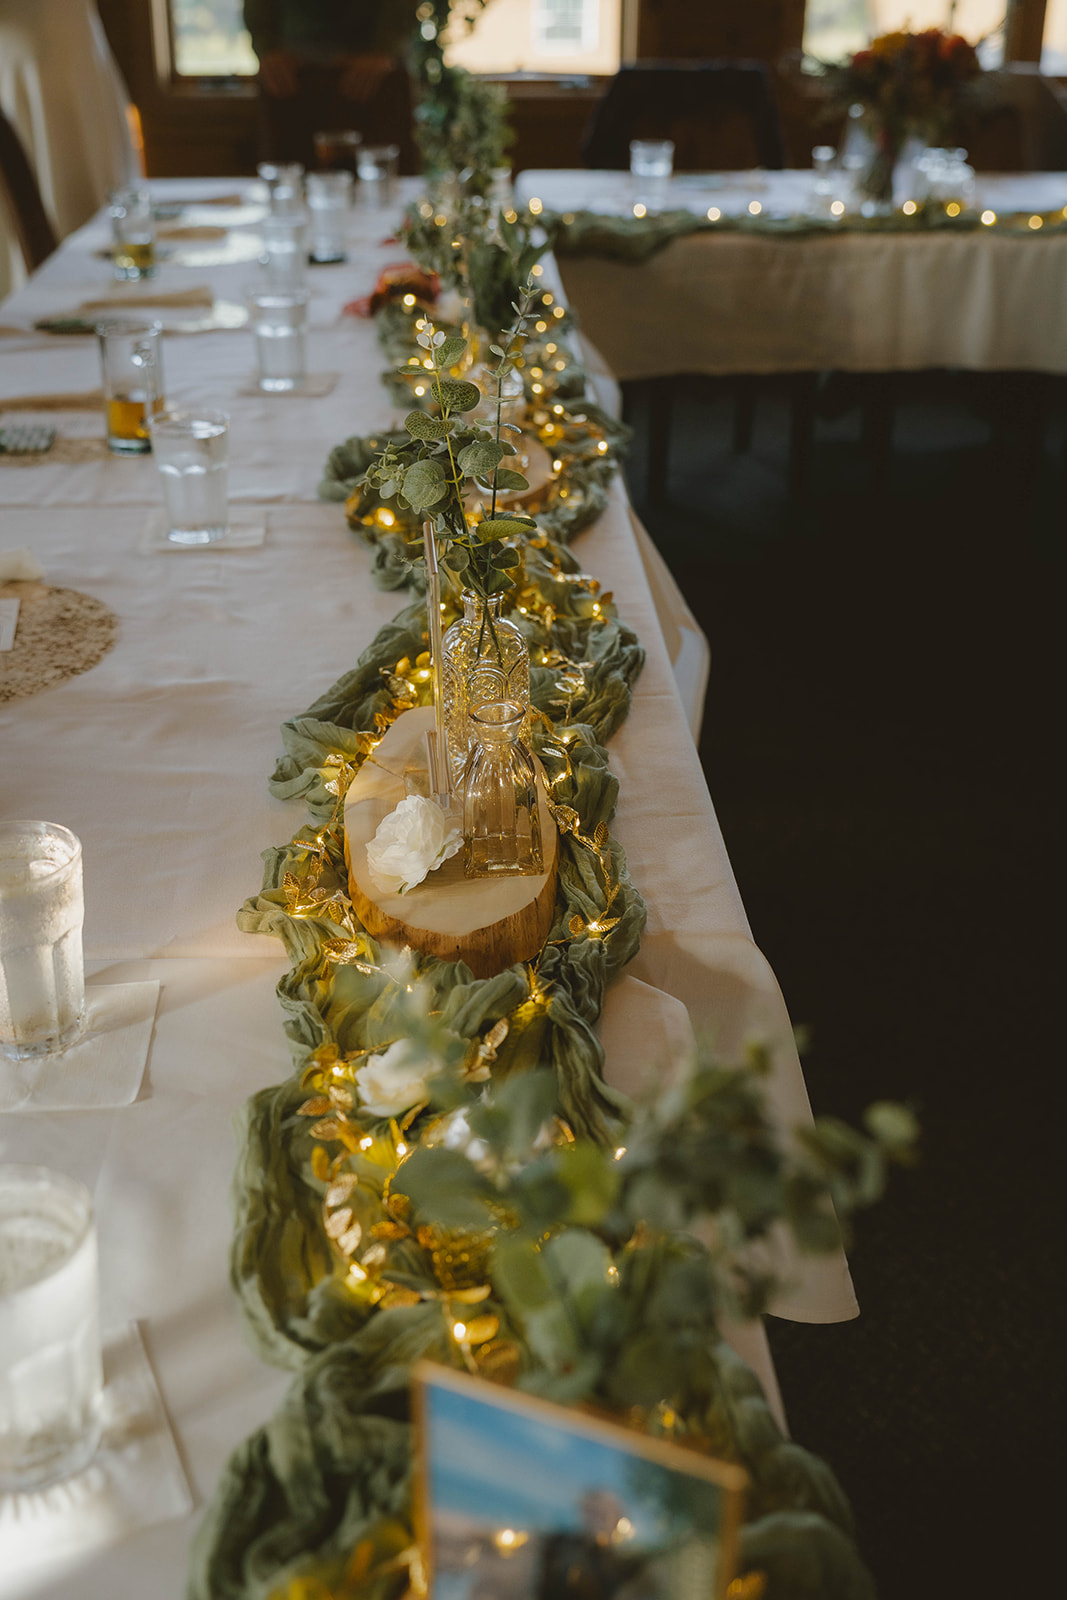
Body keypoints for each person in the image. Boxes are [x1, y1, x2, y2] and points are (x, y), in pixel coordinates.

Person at [242, 0, 417, 170]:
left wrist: (386, 49)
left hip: (379, 76)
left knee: (388, 176)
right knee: (286, 179)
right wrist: (267, 48)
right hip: (290, 76)